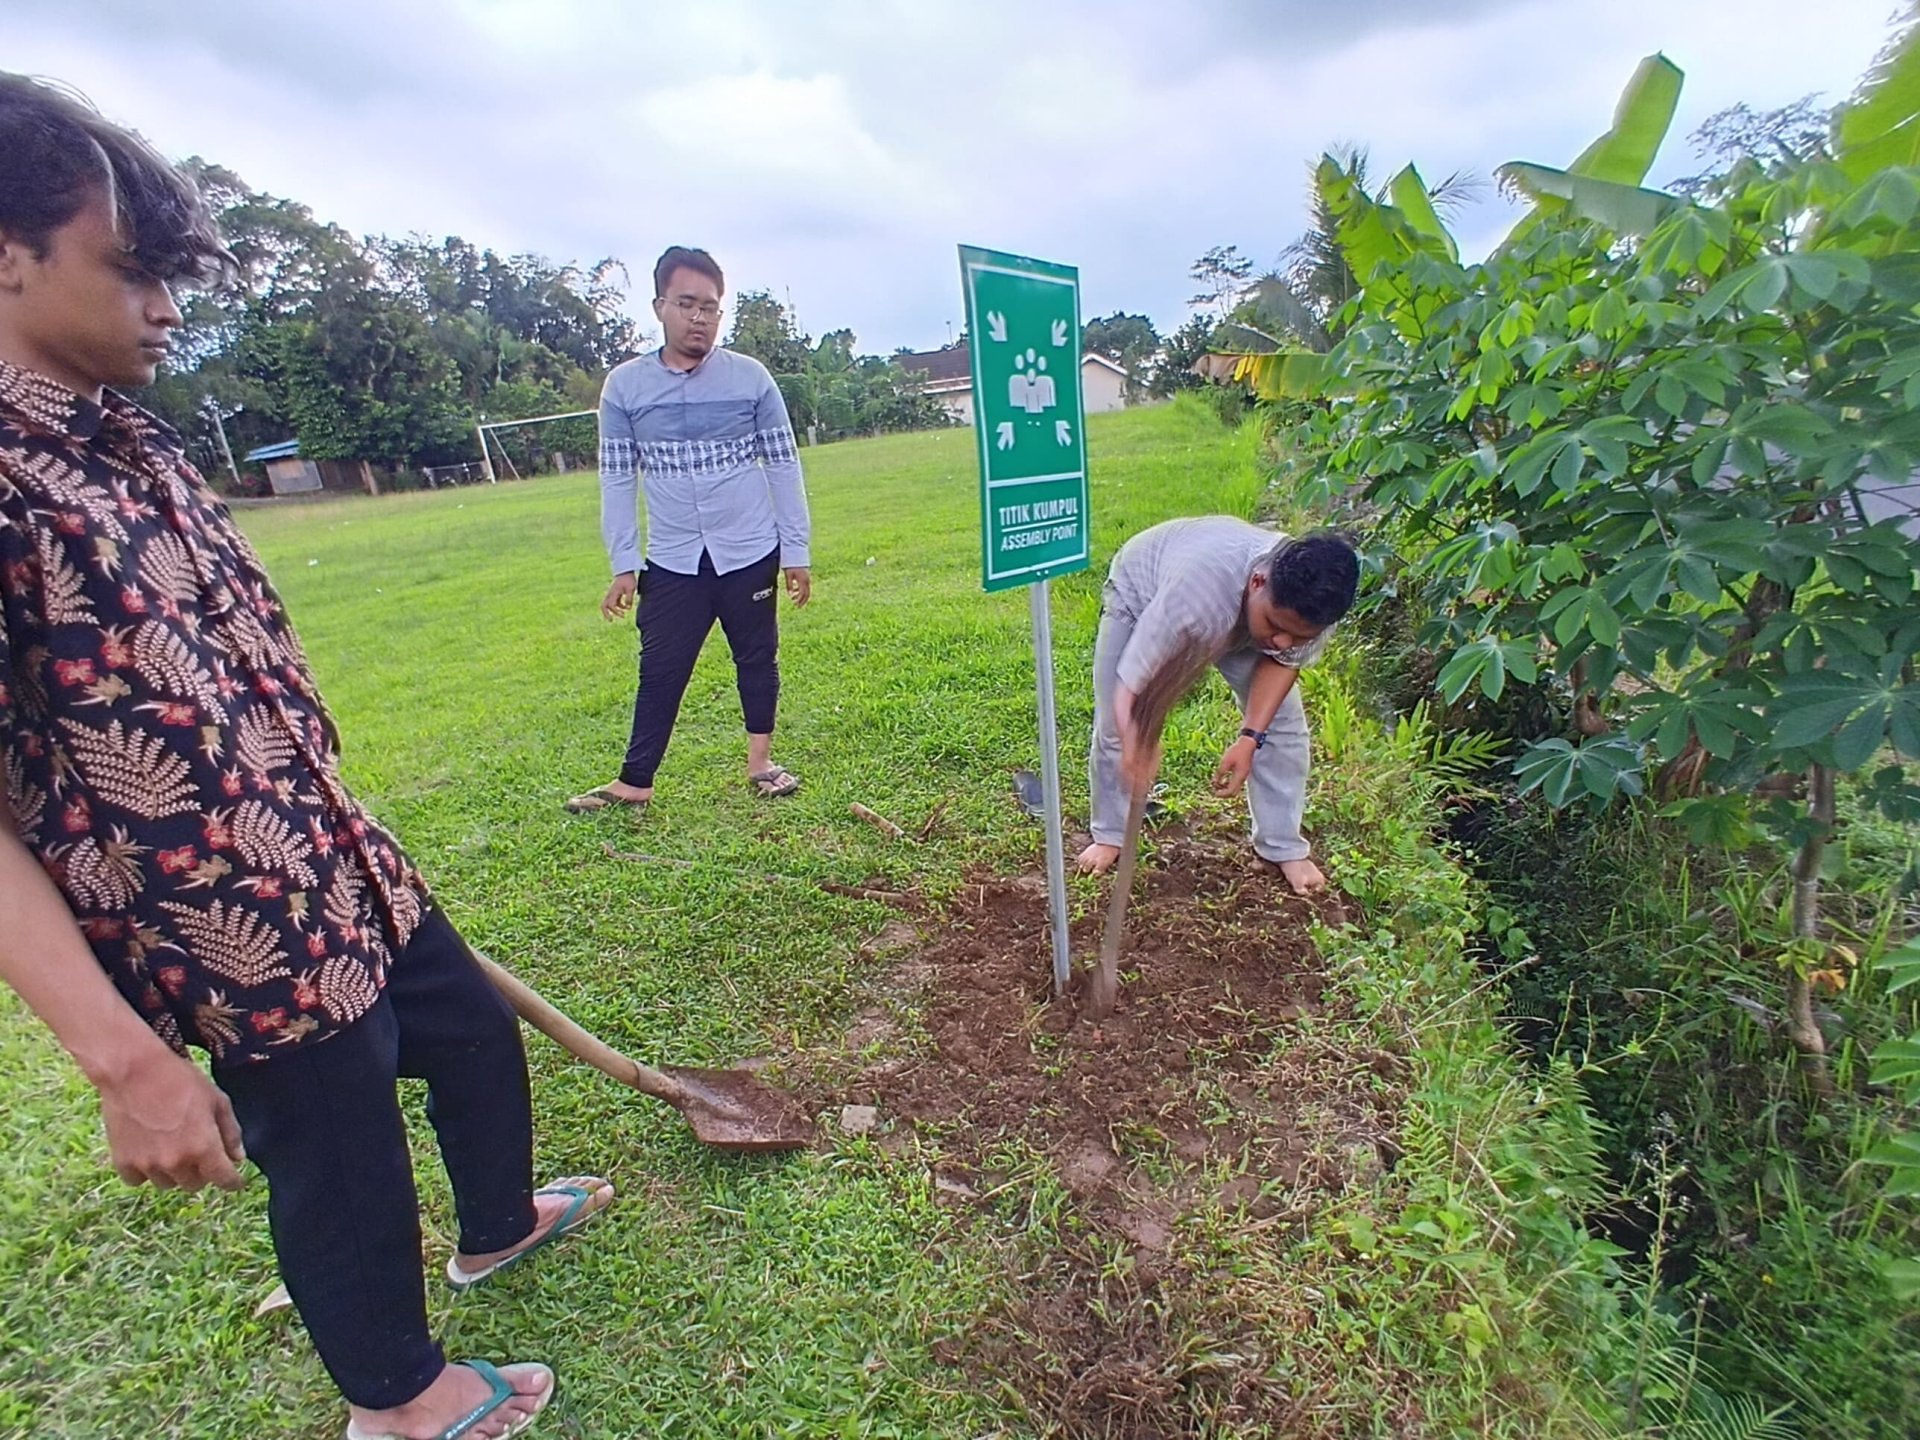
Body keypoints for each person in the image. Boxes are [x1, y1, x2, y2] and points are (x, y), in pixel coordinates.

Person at [0, 75, 611, 1440]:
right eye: (130, 270)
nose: (165, 308)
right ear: (7, 254)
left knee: (464, 1029)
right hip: (218, 924)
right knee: (336, 1154)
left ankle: (500, 1225)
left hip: (332, 849)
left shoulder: (133, 439)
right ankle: (397, 1401)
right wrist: (123, 1064)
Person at [565, 246, 813, 813]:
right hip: (675, 558)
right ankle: (634, 782)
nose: (699, 317)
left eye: (710, 307)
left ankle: (761, 763)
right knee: (661, 666)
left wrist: (795, 549)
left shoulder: (750, 379)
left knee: (756, 656)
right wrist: (624, 563)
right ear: (660, 307)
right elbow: (617, 478)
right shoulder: (625, 388)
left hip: (749, 547)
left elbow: (782, 463)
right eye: (687, 304)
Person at [1076, 517, 1359, 894]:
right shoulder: (1195, 598)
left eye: (1298, 636)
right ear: (1258, 582)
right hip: (1141, 591)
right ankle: (1111, 834)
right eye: (1275, 624)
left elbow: (1282, 662)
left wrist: (1249, 738)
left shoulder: (1314, 605)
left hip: (1231, 605)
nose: (1281, 640)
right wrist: (1135, 744)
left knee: (1284, 728)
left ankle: (1281, 846)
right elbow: (1130, 685)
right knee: (1116, 726)